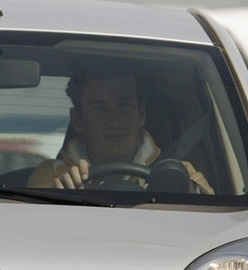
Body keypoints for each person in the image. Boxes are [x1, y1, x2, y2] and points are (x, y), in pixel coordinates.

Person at [28, 72, 214, 193]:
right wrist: (60, 194)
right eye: (100, 108)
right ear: (77, 120)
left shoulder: (177, 172)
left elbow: (211, 218)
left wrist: (180, 190)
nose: (115, 121)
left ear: (141, 114)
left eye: (125, 106)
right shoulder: (53, 174)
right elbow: (32, 221)